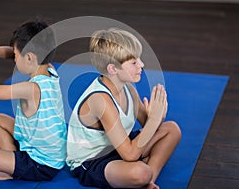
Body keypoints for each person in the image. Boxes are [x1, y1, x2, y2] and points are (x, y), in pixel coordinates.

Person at [66, 28, 181, 189]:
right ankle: (146, 178)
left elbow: (148, 126)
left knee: (172, 129)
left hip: (120, 146)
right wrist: (153, 121)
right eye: (134, 62)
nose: (141, 65)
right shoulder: (101, 101)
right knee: (140, 172)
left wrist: (157, 117)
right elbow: (130, 155)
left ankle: (149, 182)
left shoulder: (129, 89)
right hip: (93, 160)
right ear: (113, 69)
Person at [0, 20, 67, 182]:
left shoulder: (30, 89)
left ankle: (11, 171)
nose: (13, 59)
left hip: (41, 165)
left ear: (29, 57)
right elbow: (17, 51)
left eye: (15, 56)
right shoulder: (49, 68)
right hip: (53, 154)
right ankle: (11, 166)